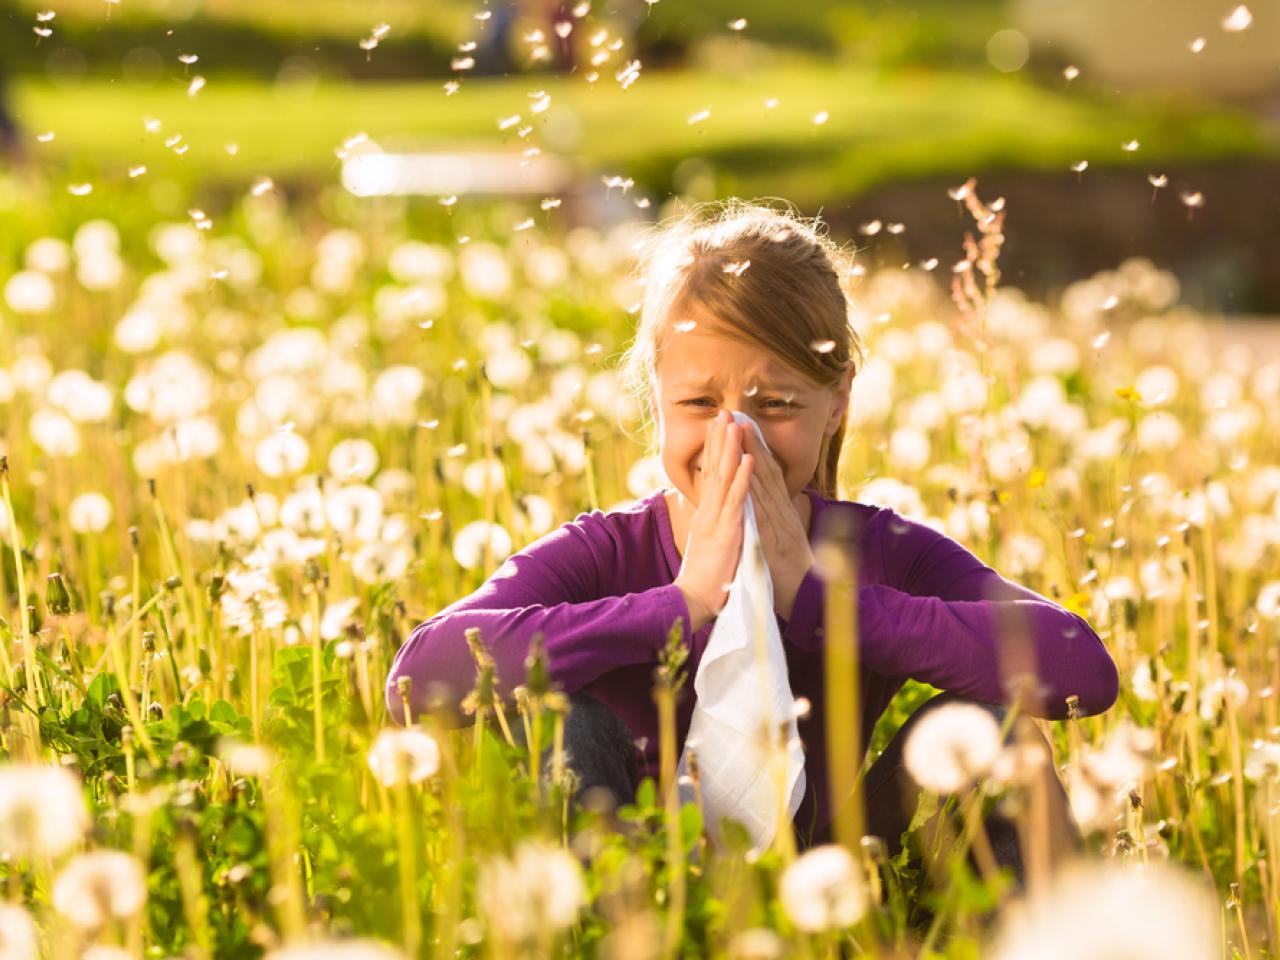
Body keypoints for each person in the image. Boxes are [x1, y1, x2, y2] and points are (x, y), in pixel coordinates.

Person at [385, 199, 1119, 890]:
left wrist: (822, 601)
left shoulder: (878, 549)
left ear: (836, 404)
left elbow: (1080, 668)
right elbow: (417, 681)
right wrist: (681, 604)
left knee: (995, 732)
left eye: (776, 405)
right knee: (562, 720)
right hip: (632, 874)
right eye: (701, 403)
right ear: (655, 396)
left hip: (829, 874)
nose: (737, 438)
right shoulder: (606, 552)